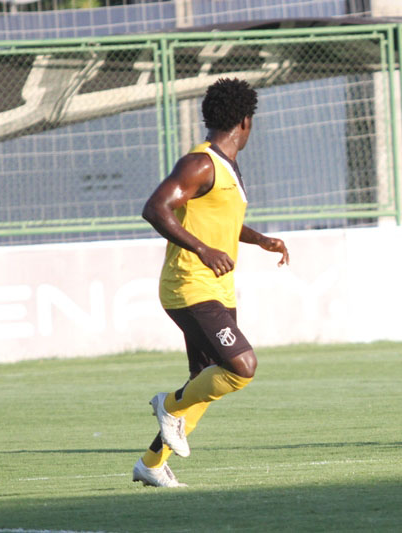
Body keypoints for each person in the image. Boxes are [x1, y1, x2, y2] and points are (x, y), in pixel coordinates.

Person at [132, 77, 290, 488]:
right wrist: (203, 250)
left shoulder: (226, 166)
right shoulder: (200, 163)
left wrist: (261, 240)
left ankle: (151, 464)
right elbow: (155, 208)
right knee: (241, 366)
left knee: (206, 380)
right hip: (189, 285)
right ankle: (167, 405)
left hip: (217, 286)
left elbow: (223, 222)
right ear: (245, 120)